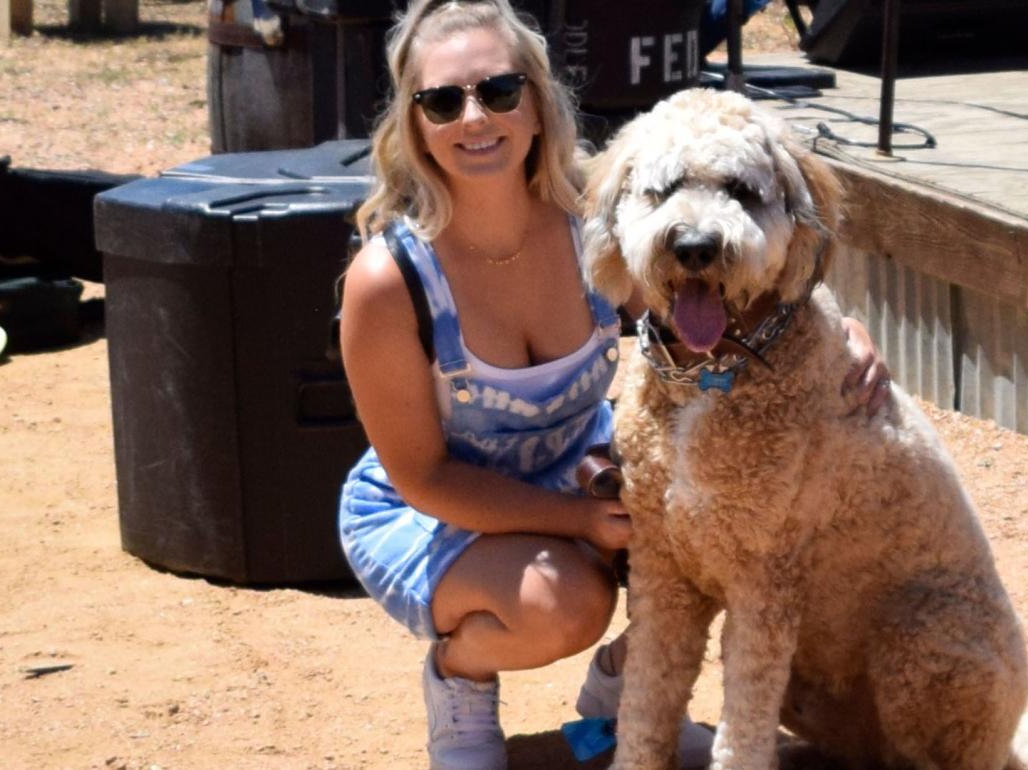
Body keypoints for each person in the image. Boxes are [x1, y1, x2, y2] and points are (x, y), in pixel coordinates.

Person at [335, 1, 888, 768]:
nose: (475, 118)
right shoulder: (387, 280)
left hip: (580, 464)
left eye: (498, 91)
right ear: (415, 124)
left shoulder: (595, 219)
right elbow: (422, 476)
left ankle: (625, 689)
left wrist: (840, 330)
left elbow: (725, 293)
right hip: (437, 508)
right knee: (567, 604)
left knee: (736, 515)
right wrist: (578, 521)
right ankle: (459, 680)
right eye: (442, 102)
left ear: (536, 103)